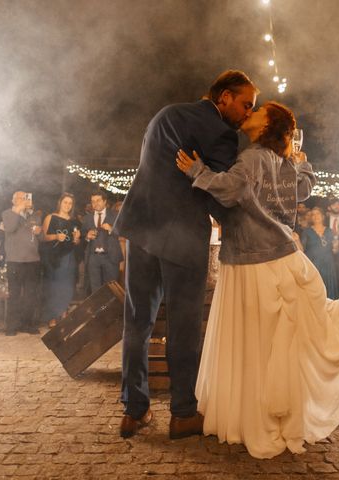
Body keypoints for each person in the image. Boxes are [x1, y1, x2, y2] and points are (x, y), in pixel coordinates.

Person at [176, 101, 339, 460]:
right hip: (284, 253)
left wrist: (197, 170)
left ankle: (251, 416)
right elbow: (302, 190)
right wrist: (303, 163)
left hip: (253, 258)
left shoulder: (255, 157)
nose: (250, 114)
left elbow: (232, 190)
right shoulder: (284, 162)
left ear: (268, 126)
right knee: (274, 342)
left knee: (254, 341)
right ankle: (268, 413)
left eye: (257, 113)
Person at [114, 70, 258, 439]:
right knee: (184, 327)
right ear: (224, 97)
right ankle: (182, 414)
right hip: (180, 237)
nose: (247, 114)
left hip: (141, 227)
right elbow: (222, 194)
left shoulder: (165, 114)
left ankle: (134, 410)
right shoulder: (222, 133)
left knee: (137, 323)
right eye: (246, 104)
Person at [1, 191, 43, 336]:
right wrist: (18, 211)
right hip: (15, 260)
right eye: (19, 198)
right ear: (13, 201)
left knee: (30, 295)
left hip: (32, 260)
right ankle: (11, 326)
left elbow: (41, 237)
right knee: (15, 295)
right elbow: (10, 228)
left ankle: (28, 324)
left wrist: (39, 232)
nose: (22, 200)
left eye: (24, 198)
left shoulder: (35, 215)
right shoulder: (7, 214)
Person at [41, 193, 81, 328]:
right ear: (60, 203)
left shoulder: (75, 221)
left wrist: (76, 239)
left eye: (70, 203)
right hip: (54, 257)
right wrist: (56, 237)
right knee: (55, 286)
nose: (67, 205)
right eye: (65, 202)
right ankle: (53, 316)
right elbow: (43, 237)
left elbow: (76, 242)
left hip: (69, 256)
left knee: (68, 285)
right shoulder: (50, 217)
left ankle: (63, 314)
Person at [82, 191, 123, 292]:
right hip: (93, 258)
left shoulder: (115, 215)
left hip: (111, 258)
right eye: (93, 201)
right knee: (95, 289)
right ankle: (98, 308)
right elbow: (83, 233)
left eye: (98, 200)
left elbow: (123, 232)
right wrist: (87, 236)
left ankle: (110, 308)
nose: (95, 203)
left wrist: (111, 229)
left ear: (105, 201)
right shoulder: (87, 218)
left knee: (111, 290)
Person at [300, 206, 339, 299]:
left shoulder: (329, 231)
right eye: (313, 214)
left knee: (328, 293)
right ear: (311, 218)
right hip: (314, 265)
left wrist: (336, 247)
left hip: (328, 266)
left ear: (322, 216)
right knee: (315, 293)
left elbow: (335, 251)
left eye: (318, 214)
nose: (316, 216)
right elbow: (301, 251)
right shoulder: (307, 232)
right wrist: (297, 240)